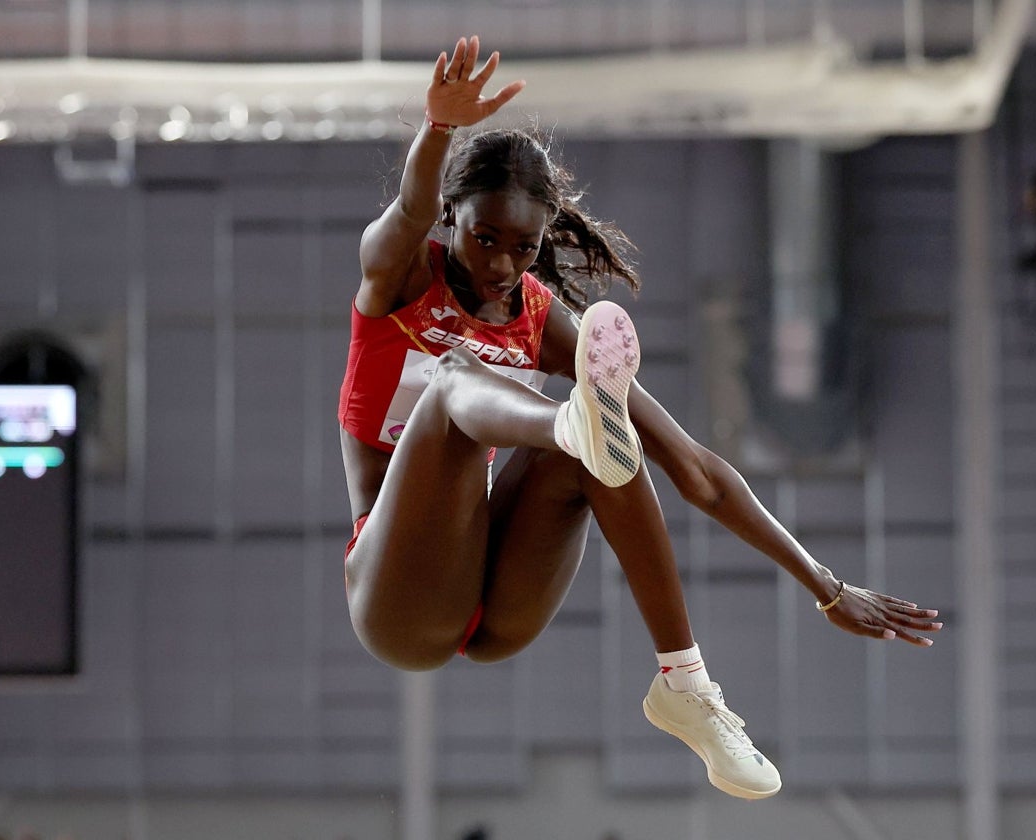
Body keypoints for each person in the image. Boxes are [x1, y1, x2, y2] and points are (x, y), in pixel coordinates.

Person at [338, 36, 943, 800]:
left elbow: (695, 470)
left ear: (540, 243)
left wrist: (823, 583)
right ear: (451, 217)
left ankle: (685, 685)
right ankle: (570, 425)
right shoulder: (397, 273)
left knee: (609, 441)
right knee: (460, 384)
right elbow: (410, 205)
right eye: (482, 236)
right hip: (398, 600)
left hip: (500, 606)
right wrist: (438, 131)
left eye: (521, 249)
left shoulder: (539, 317)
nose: (497, 264)